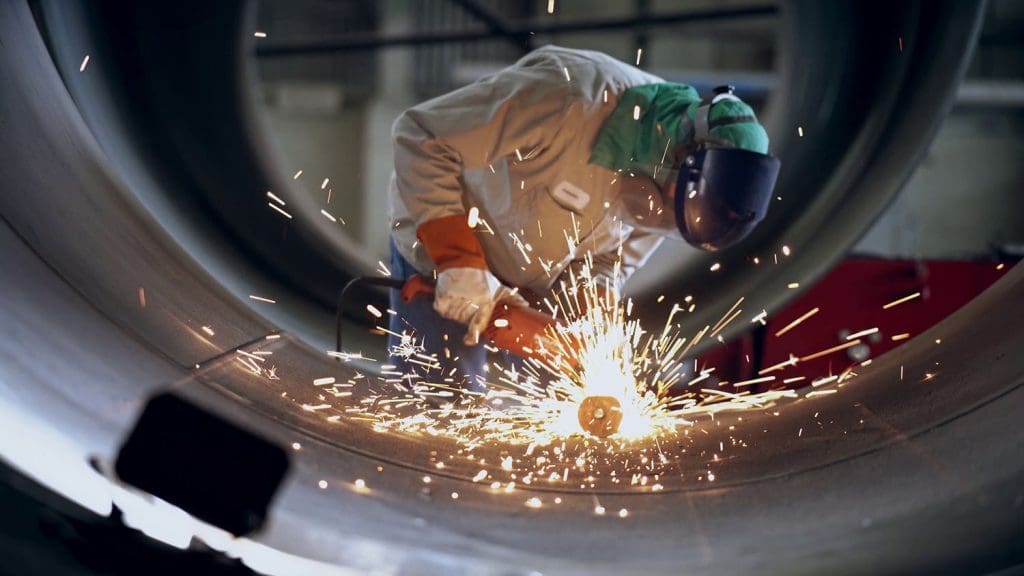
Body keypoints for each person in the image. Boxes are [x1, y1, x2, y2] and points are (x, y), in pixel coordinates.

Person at [386, 45, 780, 389]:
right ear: (680, 154)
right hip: (446, 240)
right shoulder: (566, 97)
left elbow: (608, 259)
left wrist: (596, 316)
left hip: (543, 274)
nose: (664, 212)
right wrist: (459, 261)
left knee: (564, 397)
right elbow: (421, 135)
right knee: (441, 399)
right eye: (673, 196)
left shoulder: (683, 203)